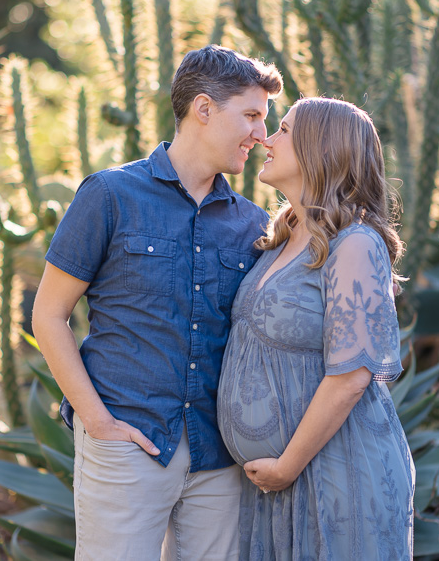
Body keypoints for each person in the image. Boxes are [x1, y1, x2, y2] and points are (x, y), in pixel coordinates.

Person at [32, 44, 283, 561]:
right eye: (253, 116)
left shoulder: (255, 226)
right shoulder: (109, 195)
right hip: (127, 440)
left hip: (219, 457)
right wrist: (98, 423)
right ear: (204, 109)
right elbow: (49, 315)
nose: (261, 135)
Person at [217, 97, 414, 560]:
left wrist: (287, 465)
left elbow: (350, 378)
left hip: (335, 473)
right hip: (277, 485)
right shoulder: (284, 235)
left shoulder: (355, 244)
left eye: (283, 130)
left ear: (319, 149)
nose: (267, 138)